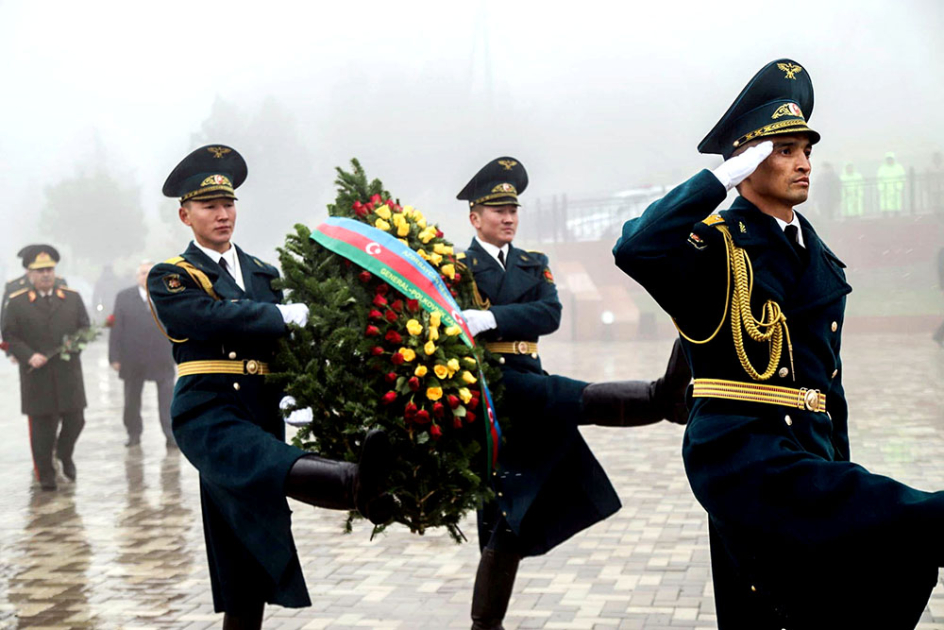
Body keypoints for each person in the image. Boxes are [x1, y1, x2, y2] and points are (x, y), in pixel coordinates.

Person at [613, 58, 944, 629]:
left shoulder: (819, 258)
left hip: (808, 460)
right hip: (743, 458)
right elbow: (637, 247)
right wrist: (718, 180)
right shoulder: (714, 250)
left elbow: (825, 388)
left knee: (805, 601)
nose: (804, 163)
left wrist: (837, 459)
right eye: (784, 149)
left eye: (806, 150)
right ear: (747, 159)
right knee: (905, 525)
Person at [147, 144, 394, 629]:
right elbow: (205, 318)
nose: (222, 215)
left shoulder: (264, 272)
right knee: (258, 462)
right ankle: (352, 484)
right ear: (185, 214)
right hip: (209, 411)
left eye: (228, 204)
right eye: (209, 206)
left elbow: (284, 348)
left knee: (251, 546)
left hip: (261, 409)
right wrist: (274, 316)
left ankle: (357, 482)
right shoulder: (172, 276)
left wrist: (296, 391)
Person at [457, 157, 690, 630]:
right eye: (497, 209)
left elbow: (551, 315)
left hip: (528, 389)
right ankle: (659, 399)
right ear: (474, 217)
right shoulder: (456, 268)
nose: (508, 218)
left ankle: (485, 625)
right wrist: (499, 318)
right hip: (490, 398)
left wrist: (493, 318)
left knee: (506, 523)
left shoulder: (532, 263)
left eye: (513, 209)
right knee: (557, 407)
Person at [1, 245, 88, 491]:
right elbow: (9, 335)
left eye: (49, 269)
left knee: (76, 420)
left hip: (68, 373)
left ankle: (64, 453)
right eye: (40, 271)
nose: (46, 274)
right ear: (29, 274)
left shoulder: (71, 297)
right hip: (36, 374)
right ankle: (46, 476)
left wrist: (74, 346)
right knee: (42, 429)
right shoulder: (17, 303)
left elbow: (84, 326)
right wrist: (28, 356)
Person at [109, 261, 177, 449]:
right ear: (136, 276)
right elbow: (116, 329)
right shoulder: (123, 297)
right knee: (131, 399)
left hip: (162, 357)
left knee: (167, 399)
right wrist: (114, 357)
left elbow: (177, 324)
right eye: (142, 273)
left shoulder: (166, 295)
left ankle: (171, 435)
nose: (146, 276)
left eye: (150, 273)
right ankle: (133, 433)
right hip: (133, 358)